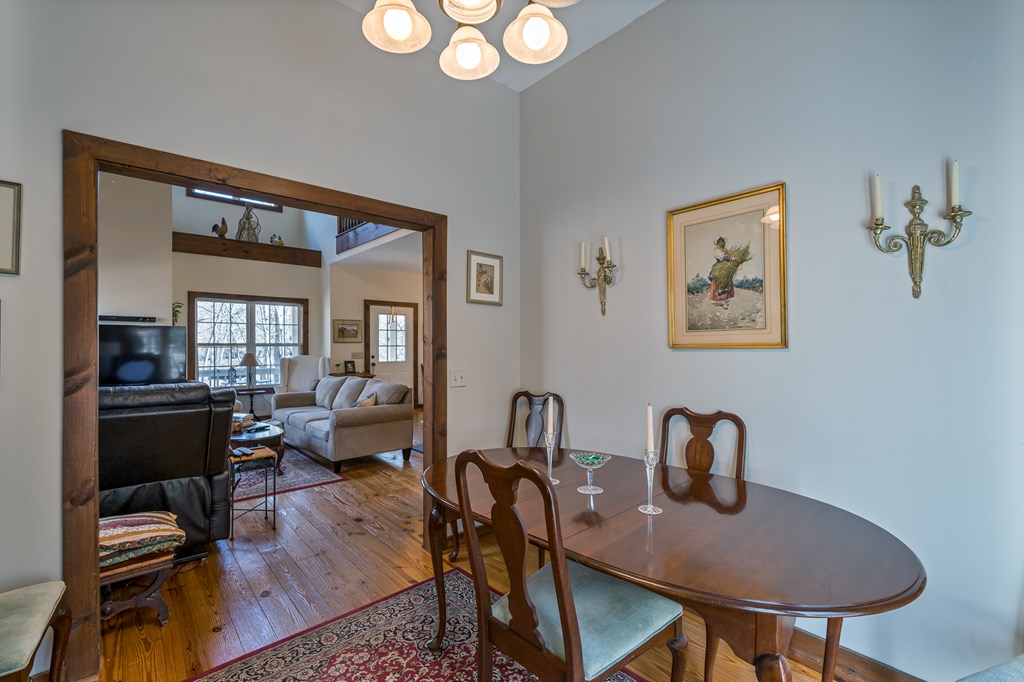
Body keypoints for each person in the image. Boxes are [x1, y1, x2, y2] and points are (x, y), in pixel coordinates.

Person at [708, 236, 735, 303]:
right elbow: (722, 257)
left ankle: (725, 298)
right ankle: (717, 299)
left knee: (727, 280)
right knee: (719, 280)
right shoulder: (717, 250)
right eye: (720, 242)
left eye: (723, 242)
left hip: (726, 266)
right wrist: (730, 258)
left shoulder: (725, 250)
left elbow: (728, 255)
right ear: (718, 243)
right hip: (719, 267)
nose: (722, 243)